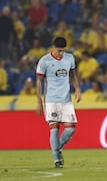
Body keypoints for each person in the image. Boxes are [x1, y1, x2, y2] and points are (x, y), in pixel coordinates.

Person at [35, 36, 81, 168]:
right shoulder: (44, 61)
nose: (61, 53)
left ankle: (58, 148)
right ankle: (56, 159)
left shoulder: (69, 58)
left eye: (63, 50)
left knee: (71, 128)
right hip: (51, 99)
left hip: (66, 99)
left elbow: (73, 75)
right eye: (59, 50)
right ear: (53, 47)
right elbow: (39, 81)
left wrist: (77, 88)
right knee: (54, 128)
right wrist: (39, 101)